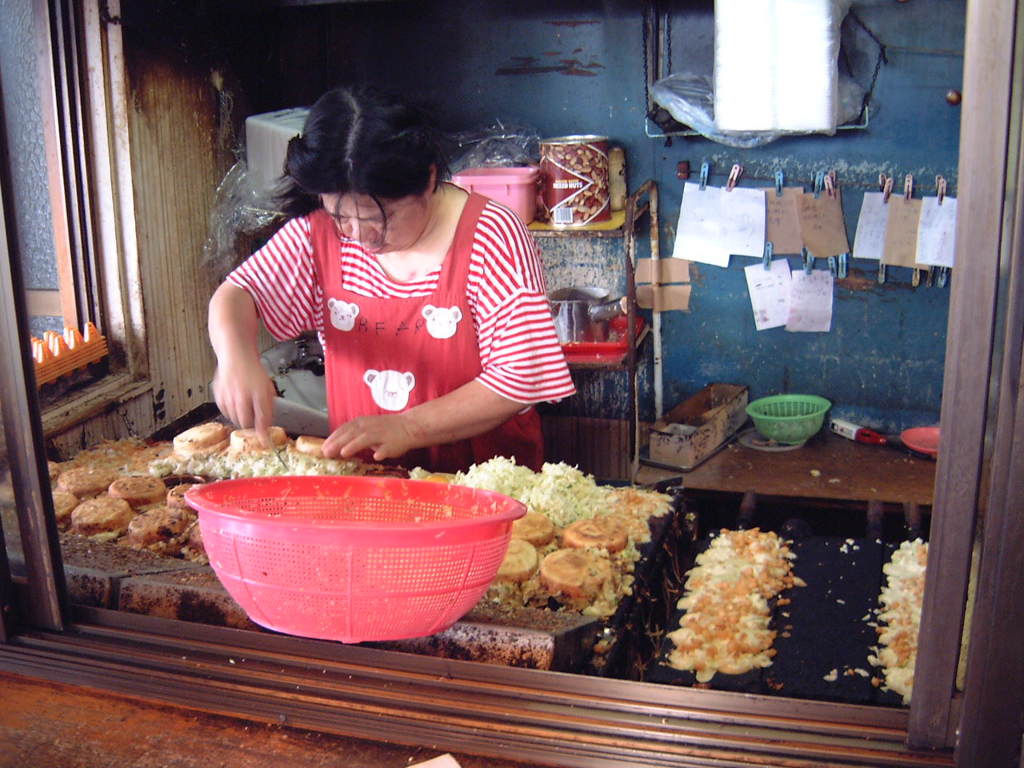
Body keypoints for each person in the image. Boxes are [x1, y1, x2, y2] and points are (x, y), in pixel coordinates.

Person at [208, 85, 575, 473]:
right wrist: (236, 357)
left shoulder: (492, 235)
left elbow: (521, 377)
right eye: (340, 216)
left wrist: (410, 427)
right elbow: (238, 293)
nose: (358, 235)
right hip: (369, 477)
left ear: (429, 180)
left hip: (483, 478)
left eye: (377, 219)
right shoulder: (318, 234)